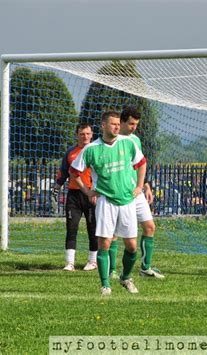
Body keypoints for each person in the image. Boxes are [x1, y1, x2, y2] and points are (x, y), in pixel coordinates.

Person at [70, 111, 147, 296]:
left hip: (127, 200)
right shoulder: (91, 149)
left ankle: (126, 277)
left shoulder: (128, 143)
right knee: (104, 243)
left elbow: (142, 163)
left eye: (117, 124)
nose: (116, 127)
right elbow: (74, 173)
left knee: (132, 246)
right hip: (106, 201)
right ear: (103, 125)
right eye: (112, 124)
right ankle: (105, 285)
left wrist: (139, 186)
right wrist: (88, 191)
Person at [107, 106, 164, 280]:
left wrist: (145, 185)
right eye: (131, 123)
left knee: (149, 227)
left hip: (136, 192)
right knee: (114, 234)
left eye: (136, 124)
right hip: (120, 193)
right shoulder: (112, 141)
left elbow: (138, 165)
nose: (133, 127)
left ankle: (145, 268)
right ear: (122, 122)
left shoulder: (135, 140)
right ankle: (112, 270)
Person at [52, 123, 98, 272]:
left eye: (87, 134)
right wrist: (56, 188)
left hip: (92, 195)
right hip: (73, 195)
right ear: (77, 135)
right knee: (72, 228)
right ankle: (70, 263)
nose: (85, 136)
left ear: (92, 135)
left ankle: (93, 261)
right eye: (82, 134)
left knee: (94, 228)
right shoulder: (70, 153)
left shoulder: (97, 151)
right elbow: (64, 172)